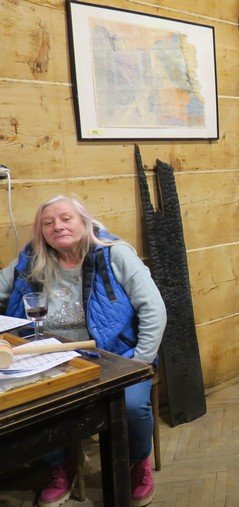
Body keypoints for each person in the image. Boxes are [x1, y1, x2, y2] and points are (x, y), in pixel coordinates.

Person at [0, 195, 166, 507]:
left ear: (84, 221)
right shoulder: (32, 257)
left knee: (131, 407)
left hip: (116, 356)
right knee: (34, 398)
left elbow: (154, 308)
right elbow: (1, 287)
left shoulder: (113, 253)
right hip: (51, 354)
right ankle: (61, 465)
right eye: (48, 223)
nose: (57, 226)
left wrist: (141, 361)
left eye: (66, 218)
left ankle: (136, 462)